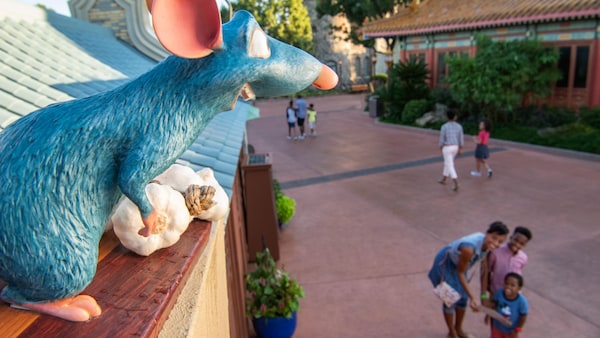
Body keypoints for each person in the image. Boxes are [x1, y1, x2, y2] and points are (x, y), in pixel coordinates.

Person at [428, 221, 510, 338]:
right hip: (444, 265)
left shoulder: (489, 248)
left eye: (500, 242)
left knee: (463, 298)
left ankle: (459, 329)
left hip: (460, 265)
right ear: (486, 233)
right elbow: (460, 272)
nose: (496, 243)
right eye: (494, 238)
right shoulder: (468, 249)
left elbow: (484, 271)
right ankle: (452, 333)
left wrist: (482, 298)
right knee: (449, 300)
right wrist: (473, 297)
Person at [481, 272, 529, 338]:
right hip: (497, 328)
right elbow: (494, 306)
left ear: (519, 288)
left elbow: (523, 317)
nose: (508, 287)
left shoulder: (522, 302)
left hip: (511, 332)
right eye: (506, 283)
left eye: (512, 285)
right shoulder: (499, 293)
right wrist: (488, 314)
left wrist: (517, 330)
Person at [438, 109, 464, 191]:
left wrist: (440, 146)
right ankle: (444, 178)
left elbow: (442, 138)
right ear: (455, 117)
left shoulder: (444, 126)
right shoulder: (459, 126)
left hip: (447, 147)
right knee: (448, 163)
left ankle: (456, 182)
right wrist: (461, 148)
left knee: (449, 164)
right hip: (455, 147)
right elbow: (461, 138)